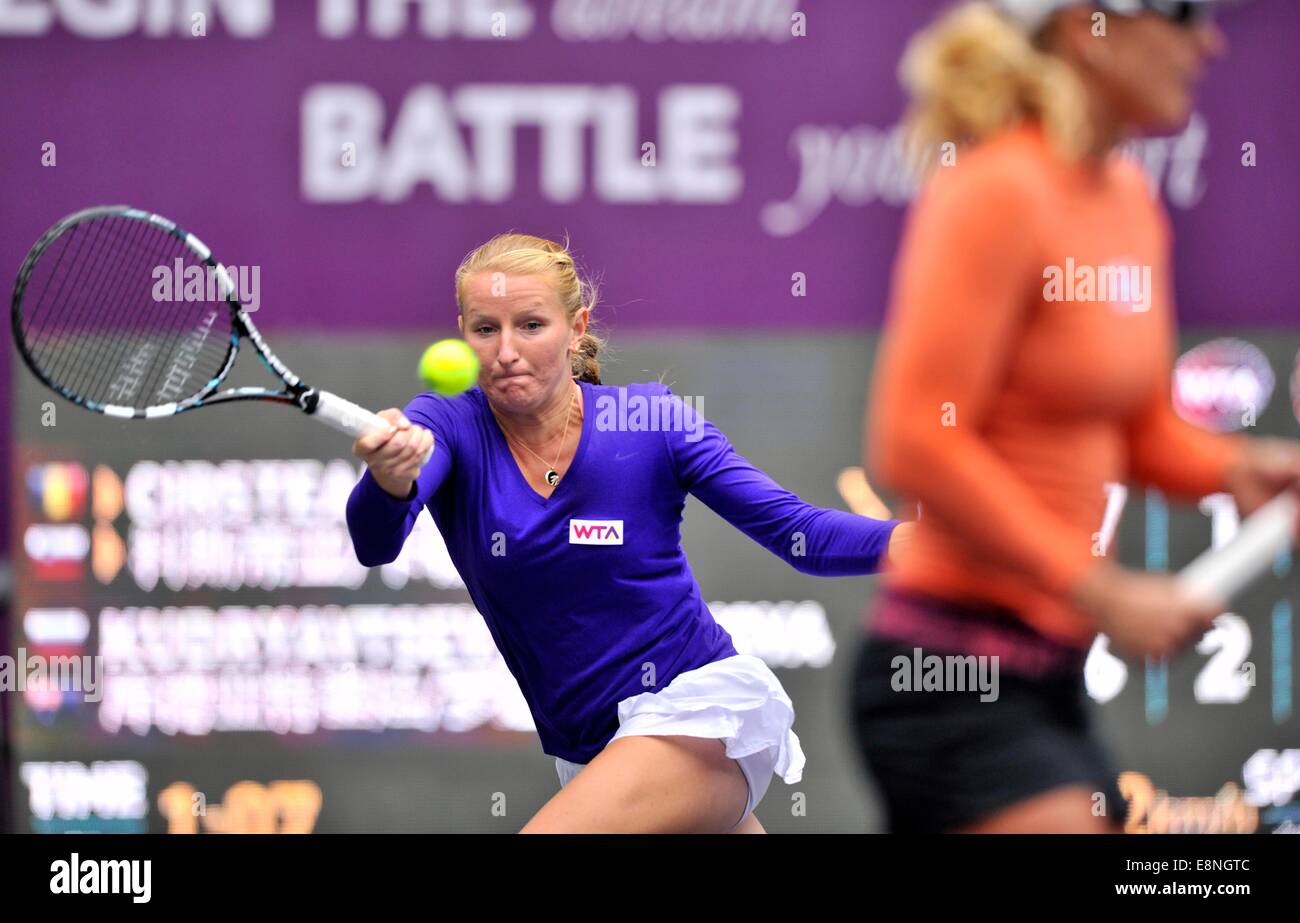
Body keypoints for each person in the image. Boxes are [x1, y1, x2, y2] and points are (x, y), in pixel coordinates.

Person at [851, 0, 1300, 834]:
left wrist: (1238, 470)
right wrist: (1099, 588)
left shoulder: (1126, 196)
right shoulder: (996, 189)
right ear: (1084, 27)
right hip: (950, 678)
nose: (1208, 40)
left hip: (1048, 680)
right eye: (1182, 11)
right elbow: (915, 436)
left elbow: (1133, 424)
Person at [347, 233, 909, 833]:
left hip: (697, 715)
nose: (505, 351)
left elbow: (800, 535)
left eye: (531, 325)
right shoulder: (447, 421)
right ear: (463, 331)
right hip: (593, 756)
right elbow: (375, 543)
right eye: (486, 330)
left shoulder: (651, 420)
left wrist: (929, 547)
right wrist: (389, 479)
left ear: (576, 326)